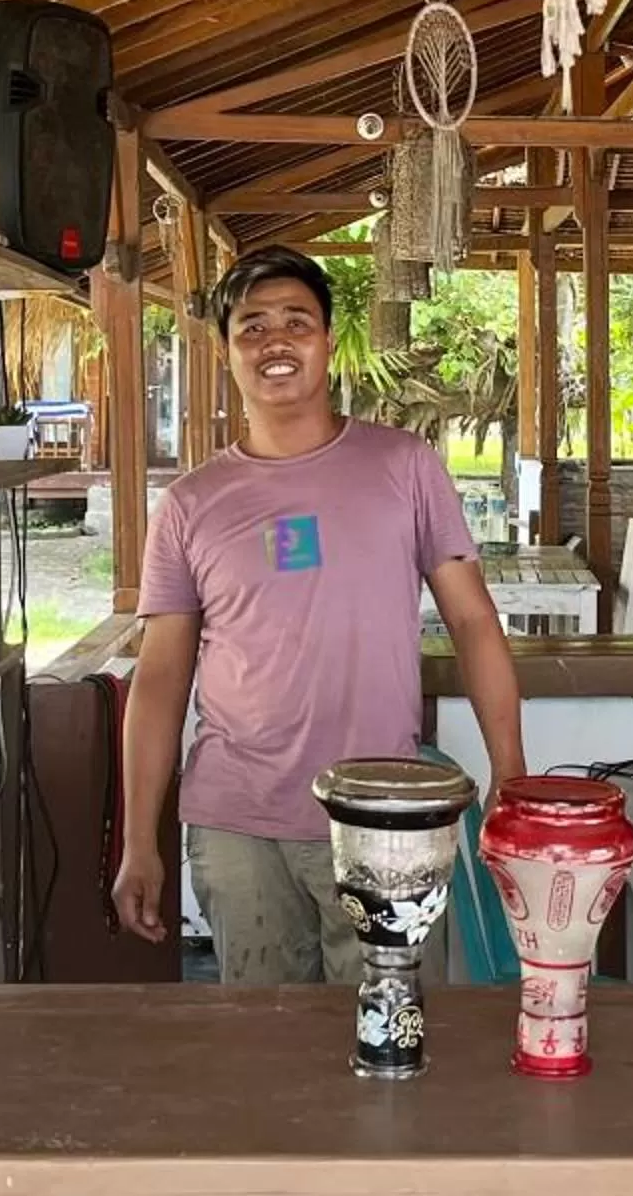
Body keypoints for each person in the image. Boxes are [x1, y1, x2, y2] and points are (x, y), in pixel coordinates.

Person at [111, 247, 528, 983]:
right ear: (225, 349)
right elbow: (161, 678)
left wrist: (511, 777)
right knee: (265, 1057)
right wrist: (138, 840)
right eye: (252, 327)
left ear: (327, 342)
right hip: (239, 820)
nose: (275, 341)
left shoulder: (405, 466)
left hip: (384, 819)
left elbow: (472, 623)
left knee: (394, 1039)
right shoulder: (189, 505)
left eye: (297, 322)